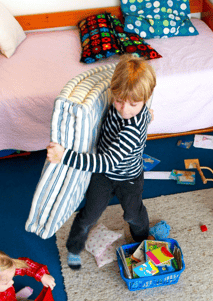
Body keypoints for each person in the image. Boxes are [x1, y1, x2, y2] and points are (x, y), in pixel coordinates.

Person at [46, 54, 157, 269]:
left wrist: (63, 156)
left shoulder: (131, 130)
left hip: (128, 176)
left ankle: (143, 240)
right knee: (89, 214)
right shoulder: (128, 106)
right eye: (118, 101)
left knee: (133, 214)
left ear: (145, 98)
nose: (124, 110)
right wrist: (147, 115)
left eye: (133, 104)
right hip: (104, 177)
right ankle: (74, 246)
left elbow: (105, 163)